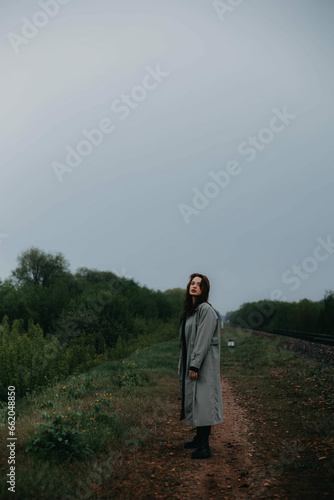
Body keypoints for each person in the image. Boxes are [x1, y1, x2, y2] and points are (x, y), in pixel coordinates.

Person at [178, 273, 223, 459]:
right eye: (192, 283)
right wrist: (184, 363)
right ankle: (199, 438)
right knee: (196, 401)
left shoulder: (205, 310)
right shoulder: (192, 310)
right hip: (195, 362)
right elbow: (186, 342)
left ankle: (205, 446)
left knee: (203, 402)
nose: (194, 286)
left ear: (204, 289)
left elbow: (203, 340)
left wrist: (194, 365)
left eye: (199, 284)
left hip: (204, 365)